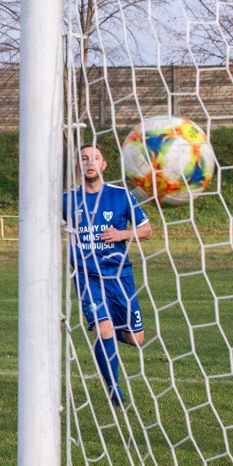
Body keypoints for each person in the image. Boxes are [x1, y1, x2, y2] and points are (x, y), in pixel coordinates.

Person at [62, 142, 153, 407]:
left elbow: (147, 230)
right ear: (78, 166)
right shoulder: (67, 200)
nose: (90, 162)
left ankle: (117, 334)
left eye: (95, 158)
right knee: (103, 330)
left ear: (104, 165)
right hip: (87, 277)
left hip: (120, 277)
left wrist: (122, 234)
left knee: (136, 339)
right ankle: (115, 392)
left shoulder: (121, 196)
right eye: (85, 158)